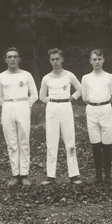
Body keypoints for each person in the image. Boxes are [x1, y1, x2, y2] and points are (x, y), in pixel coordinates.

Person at [39, 48, 83, 185]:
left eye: (57, 59)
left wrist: (72, 98)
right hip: (52, 108)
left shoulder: (69, 75)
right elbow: (41, 96)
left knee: (70, 140)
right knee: (51, 141)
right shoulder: (46, 78)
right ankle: (50, 175)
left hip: (66, 107)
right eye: (53, 59)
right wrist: (52, 102)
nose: (55, 61)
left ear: (62, 59)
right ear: (50, 61)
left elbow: (80, 89)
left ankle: (74, 174)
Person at [0, 47, 38, 187]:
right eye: (9, 57)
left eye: (15, 56)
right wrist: (7, 107)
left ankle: (24, 174)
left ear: (19, 59)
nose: (12, 59)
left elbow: (34, 94)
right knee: (11, 143)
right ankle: (15, 174)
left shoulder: (26, 75)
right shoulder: (1, 76)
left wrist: (27, 105)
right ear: (5, 59)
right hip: (8, 107)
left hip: (23, 106)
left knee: (24, 141)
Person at [81, 49, 112, 184]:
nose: (97, 62)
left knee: (107, 142)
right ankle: (97, 176)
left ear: (103, 60)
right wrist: (94, 104)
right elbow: (84, 97)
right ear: (90, 61)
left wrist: (103, 103)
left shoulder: (110, 77)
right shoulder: (86, 78)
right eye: (94, 59)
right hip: (91, 109)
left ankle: (107, 176)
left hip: (106, 109)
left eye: (99, 59)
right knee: (95, 143)